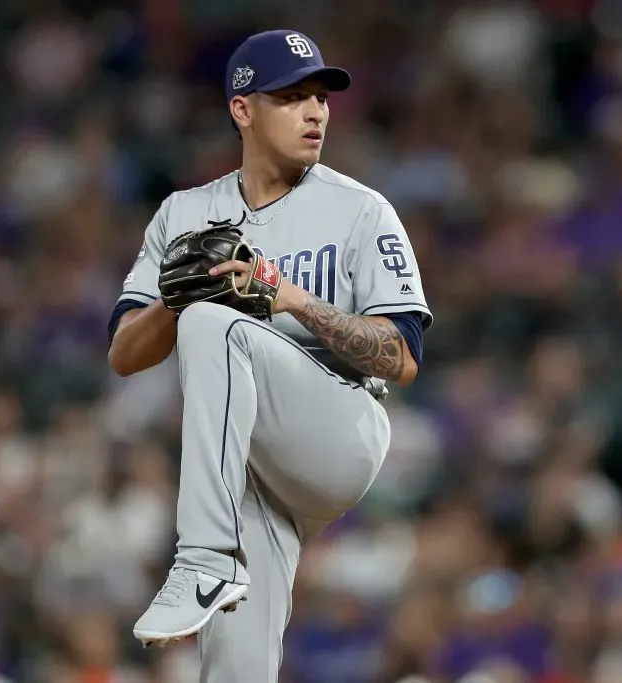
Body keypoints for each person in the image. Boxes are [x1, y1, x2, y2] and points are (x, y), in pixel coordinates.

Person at [106, 29, 432, 682]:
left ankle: (203, 556)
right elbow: (123, 354)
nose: (315, 111)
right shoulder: (185, 212)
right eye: (291, 96)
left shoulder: (360, 210)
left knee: (214, 323)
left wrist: (291, 298)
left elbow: (400, 356)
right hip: (248, 461)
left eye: (321, 96)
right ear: (243, 109)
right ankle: (216, 562)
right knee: (234, 664)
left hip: (338, 426)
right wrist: (175, 298)